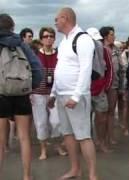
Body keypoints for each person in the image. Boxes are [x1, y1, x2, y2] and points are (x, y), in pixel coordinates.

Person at [49, 7, 98, 180]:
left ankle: (93, 174)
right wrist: (53, 93)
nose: (55, 22)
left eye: (57, 19)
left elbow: (85, 70)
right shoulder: (63, 42)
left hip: (76, 95)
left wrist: (76, 96)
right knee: (68, 135)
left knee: (83, 135)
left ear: (66, 18)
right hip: (62, 94)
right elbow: (59, 70)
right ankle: (75, 169)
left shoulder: (83, 39)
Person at [0, 13, 43, 180]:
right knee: (24, 137)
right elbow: (37, 69)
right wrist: (28, 87)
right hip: (22, 94)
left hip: (1, 94)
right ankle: (26, 176)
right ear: (12, 27)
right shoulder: (22, 44)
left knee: (1, 141)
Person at [31, 26, 67, 160]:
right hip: (38, 92)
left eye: (51, 36)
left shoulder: (59, 54)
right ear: (41, 39)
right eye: (46, 36)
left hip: (54, 93)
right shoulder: (35, 55)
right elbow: (30, 73)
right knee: (41, 122)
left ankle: (57, 144)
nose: (49, 38)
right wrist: (29, 92)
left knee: (56, 121)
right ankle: (43, 149)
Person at [86, 27, 113, 153]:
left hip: (100, 89)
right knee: (86, 119)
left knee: (102, 118)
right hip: (85, 90)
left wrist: (106, 86)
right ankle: (89, 143)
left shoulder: (104, 50)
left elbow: (110, 70)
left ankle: (101, 142)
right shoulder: (82, 51)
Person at [100, 26, 122, 145]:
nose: (114, 37)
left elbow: (121, 68)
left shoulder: (116, 50)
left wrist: (122, 86)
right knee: (102, 112)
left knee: (111, 112)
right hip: (102, 86)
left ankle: (111, 136)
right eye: (112, 34)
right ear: (105, 36)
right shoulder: (100, 49)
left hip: (114, 84)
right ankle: (101, 138)